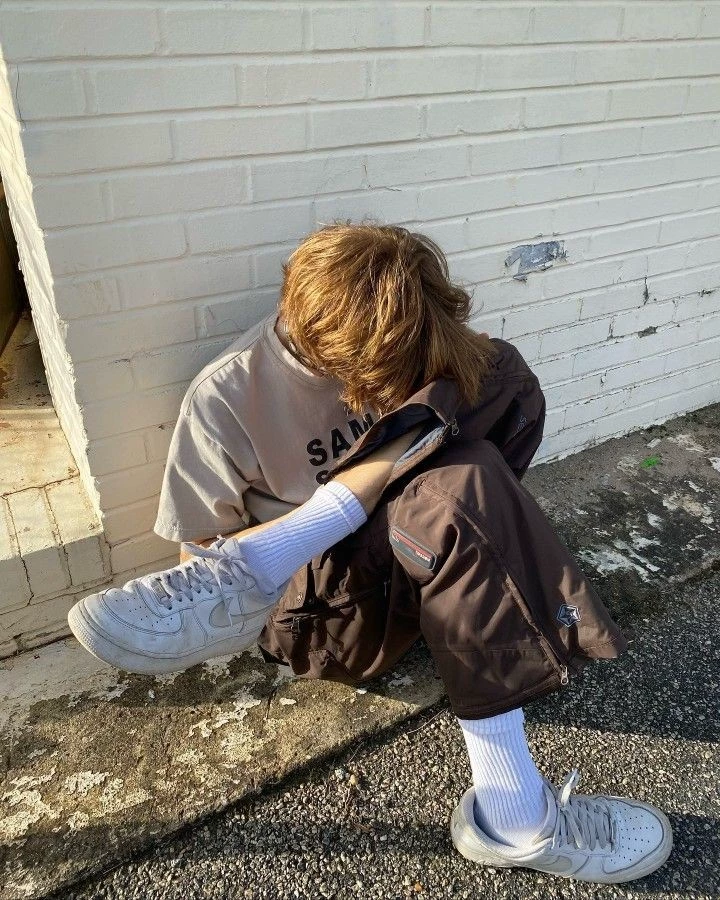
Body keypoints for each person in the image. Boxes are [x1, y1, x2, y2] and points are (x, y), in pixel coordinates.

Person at [68, 223, 672, 884]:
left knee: (501, 373)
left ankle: (422, 559)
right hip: (322, 619)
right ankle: (515, 818)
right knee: (456, 495)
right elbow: (199, 568)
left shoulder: (403, 335)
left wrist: (376, 478)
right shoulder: (226, 397)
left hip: (399, 554)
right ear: (330, 346)